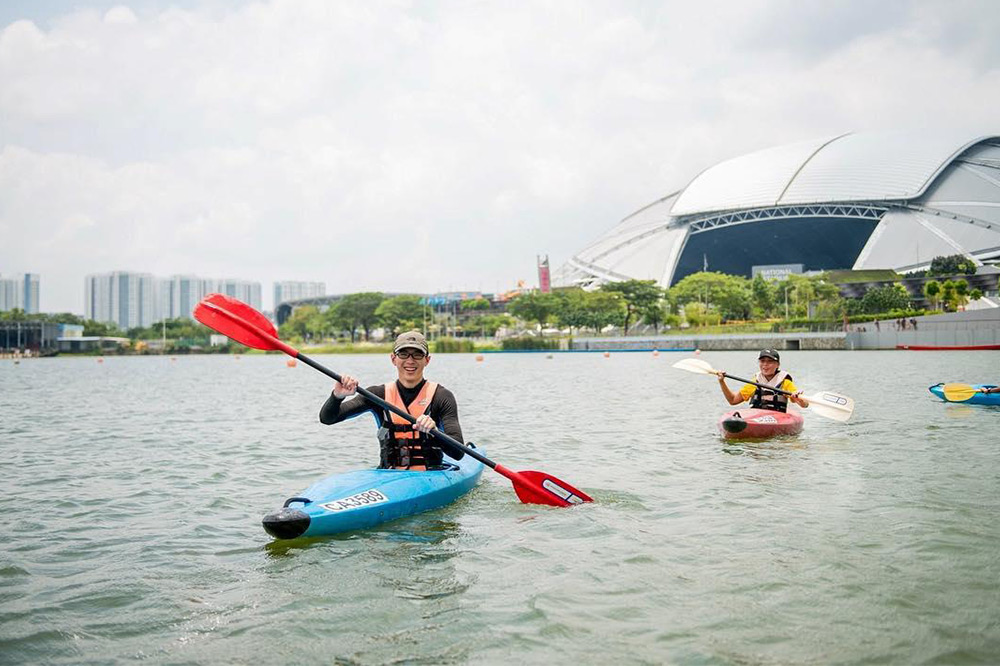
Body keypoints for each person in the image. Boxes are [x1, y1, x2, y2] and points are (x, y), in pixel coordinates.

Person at [319, 330, 465, 470]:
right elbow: (327, 418)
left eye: (417, 355)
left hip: (430, 476)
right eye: (403, 354)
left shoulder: (442, 396)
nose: (410, 360)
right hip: (388, 475)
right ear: (393, 359)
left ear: (427, 360)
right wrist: (337, 396)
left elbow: (458, 453)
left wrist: (433, 431)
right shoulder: (377, 395)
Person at [715, 349, 810, 412]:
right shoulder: (755, 382)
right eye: (762, 361)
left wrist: (799, 399)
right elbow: (733, 400)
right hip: (757, 418)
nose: (765, 364)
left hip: (777, 418)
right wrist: (721, 382)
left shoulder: (785, 382)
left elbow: (805, 405)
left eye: (770, 361)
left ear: (777, 365)